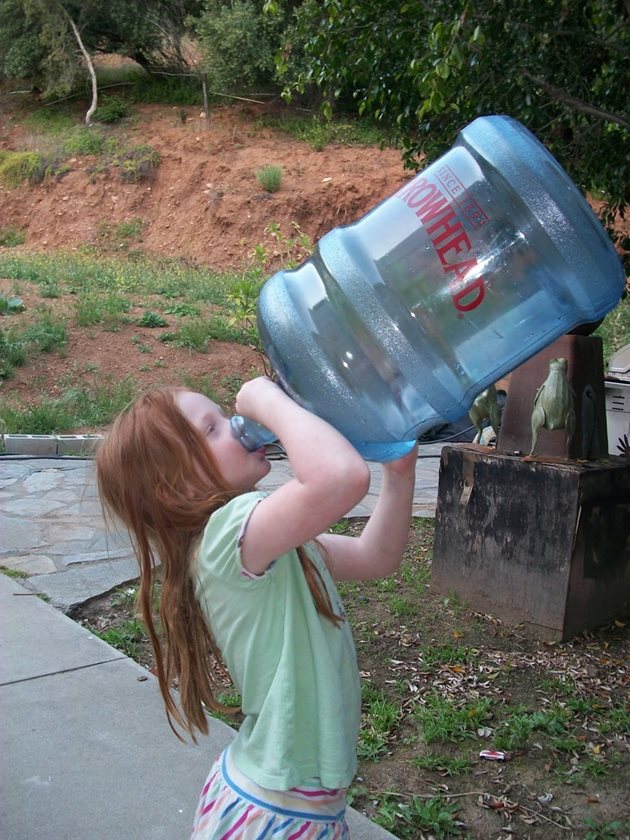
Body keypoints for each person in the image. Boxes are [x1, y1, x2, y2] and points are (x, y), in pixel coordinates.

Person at [96, 377, 417, 839]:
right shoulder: (226, 538)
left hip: (286, 803)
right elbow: (339, 478)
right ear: (176, 486)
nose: (238, 425)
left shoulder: (262, 542)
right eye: (212, 429)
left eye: (226, 416)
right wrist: (269, 400)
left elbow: (374, 557)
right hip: (277, 810)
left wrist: (400, 473)